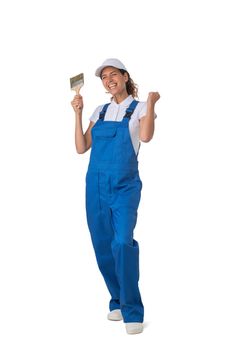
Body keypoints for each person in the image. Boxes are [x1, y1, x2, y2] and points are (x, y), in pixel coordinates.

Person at [71, 58, 160, 334]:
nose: (109, 80)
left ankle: (133, 309)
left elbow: (145, 138)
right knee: (103, 244)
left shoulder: (140, 107)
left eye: (113, 74)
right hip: (95, 184)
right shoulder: (98, 111)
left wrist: (152, 103)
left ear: (124, 76)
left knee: (122, 242)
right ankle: (117, 300)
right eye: (103, 77)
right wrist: (78, 113)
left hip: (124, 185)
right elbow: (81, 147)